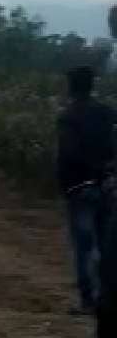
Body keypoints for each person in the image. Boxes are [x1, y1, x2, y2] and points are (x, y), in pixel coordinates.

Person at [58, 65, 115, 314]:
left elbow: (68, 153)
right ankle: (106, 297)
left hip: (79, 187)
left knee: (83, 247)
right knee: (105, 245)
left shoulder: (68, 117)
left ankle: (88, 301)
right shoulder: (107, 113)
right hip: (106, 186)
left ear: (71, 87)